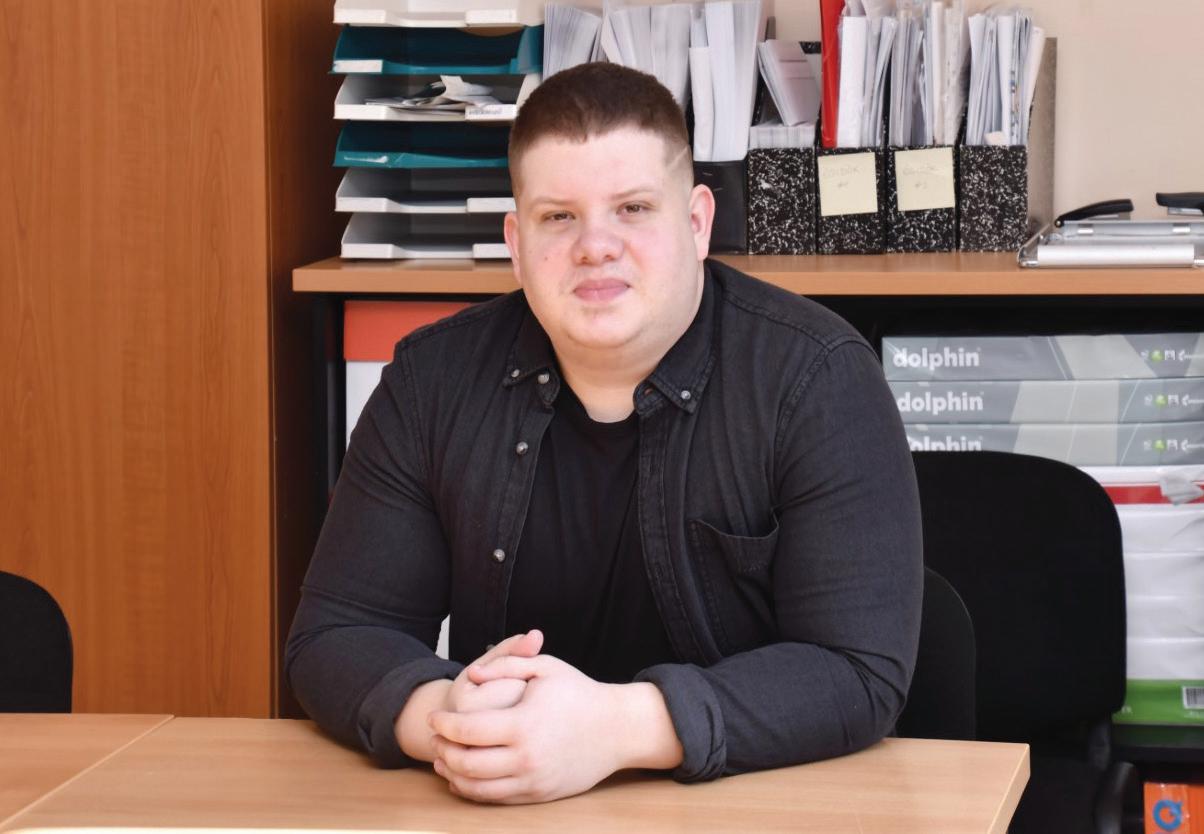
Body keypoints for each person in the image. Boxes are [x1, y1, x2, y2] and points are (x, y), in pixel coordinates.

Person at [286, 62, 922, 805]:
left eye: (633, 208)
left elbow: (856, 670)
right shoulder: (432, 382)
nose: (595, 246)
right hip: (506, 809)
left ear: (697, 223)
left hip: (754, 807)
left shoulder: (817, 377)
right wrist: (450, 720)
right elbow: (335, 635)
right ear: (515, 241)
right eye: (559, 217)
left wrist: (616, 729)